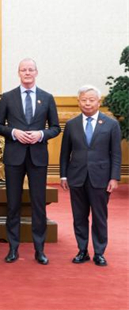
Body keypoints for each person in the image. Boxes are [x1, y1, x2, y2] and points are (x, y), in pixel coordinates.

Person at [0, 59, 60, 264]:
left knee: (38, 204)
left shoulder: (47, 98)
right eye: (24, 70)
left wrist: (41, 134)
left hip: (38, 156)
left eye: (31, 69)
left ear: (36, 72)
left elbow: (55, 127)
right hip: (14, 156)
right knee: (13, 204)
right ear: (18, 73)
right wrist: (13, 132)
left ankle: (40, 249)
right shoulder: (8, 97)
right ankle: (13, 248)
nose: (27, 73)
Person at [59, 85, 122, 267]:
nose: (87, 103)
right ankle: (82, 250)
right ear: (78, 102)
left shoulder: (111, 124)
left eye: (91, 100)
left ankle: (100, 252)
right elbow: (65, 153)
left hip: (101, 178)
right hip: (76, 177)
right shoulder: (71, 124)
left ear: (98, 102)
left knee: (99, 217)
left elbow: (116, 154)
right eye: (84, 100)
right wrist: (63, 175)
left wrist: (114, 177)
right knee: (79, 216)